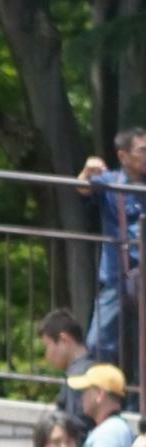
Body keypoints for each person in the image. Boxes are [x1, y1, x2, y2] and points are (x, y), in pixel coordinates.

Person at [77, 130, 146, 369]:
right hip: (117, 277)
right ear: (123, 155)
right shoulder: (111, 181)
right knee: (97, 344)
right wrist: (87, 170)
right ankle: (103, 399)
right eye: (142, 150)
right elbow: (82, 189)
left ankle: (139, 403)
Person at [39, 310, 97, 427]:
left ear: (64, 340)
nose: (47, 355)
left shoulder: (77, 377)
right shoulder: (96, 369)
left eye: (47, 346)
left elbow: (75, 430)